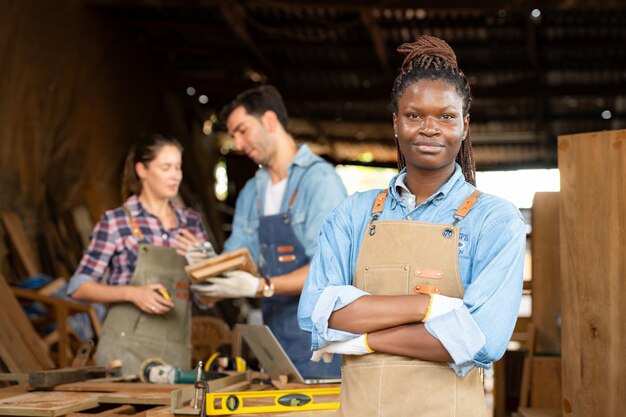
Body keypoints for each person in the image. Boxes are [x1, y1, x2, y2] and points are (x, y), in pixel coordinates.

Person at [298, 35, 526, 416]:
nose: (429, 128)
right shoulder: (351, 215)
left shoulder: (495, 221)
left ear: (465, 125)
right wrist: (431, 305)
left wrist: (366, 340)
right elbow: (316, 313)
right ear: (396, 122)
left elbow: (481, 340)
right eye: (414, 115)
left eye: (446, 116)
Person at [193, 85, 347, 378]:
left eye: (242, 130)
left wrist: (260, 286)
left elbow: (328, 272)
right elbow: (236, 256)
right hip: (275, 345)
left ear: (270, 121)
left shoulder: (320, 181)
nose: (237, 144)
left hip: (321, 346)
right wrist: (207, 273)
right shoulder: (253, 191)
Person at [68, 133, 210, 376]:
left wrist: (205, 263)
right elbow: (78, 287)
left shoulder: (191, 223)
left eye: (178, 167)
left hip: (175, 355)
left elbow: (205, 300)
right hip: (122, 354)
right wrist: (131, 293)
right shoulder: (116, 222)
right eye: (166, 167)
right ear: (142, 170)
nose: (175, 175)